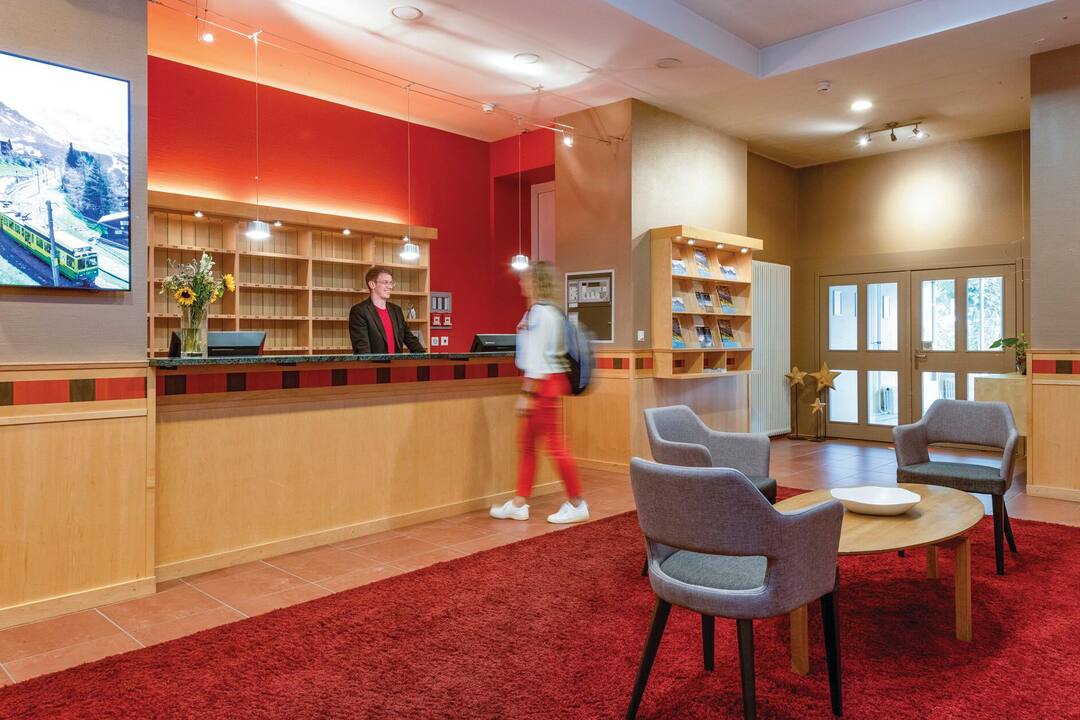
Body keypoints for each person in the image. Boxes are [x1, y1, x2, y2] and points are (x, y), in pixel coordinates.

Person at [490, 261, 588, 524]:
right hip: (550, 382)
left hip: (541, 385)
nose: (522, 283)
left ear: (535, 282)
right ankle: (520, 502)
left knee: (554, 446)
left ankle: (577, 502)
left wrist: (527, 393)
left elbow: (536, 358)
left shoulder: (537, 314)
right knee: (528, 445)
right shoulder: (551, 312)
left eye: (526, 279)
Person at [349, 267, 426, 354]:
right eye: (385, 282)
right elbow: (362, 349)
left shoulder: (396, 310)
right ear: (372, 284)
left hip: (396, 362)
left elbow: (410, 339)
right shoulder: (359, 311)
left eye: (391, 283)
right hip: (374, 363)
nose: (390, 287)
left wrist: (424, 356)